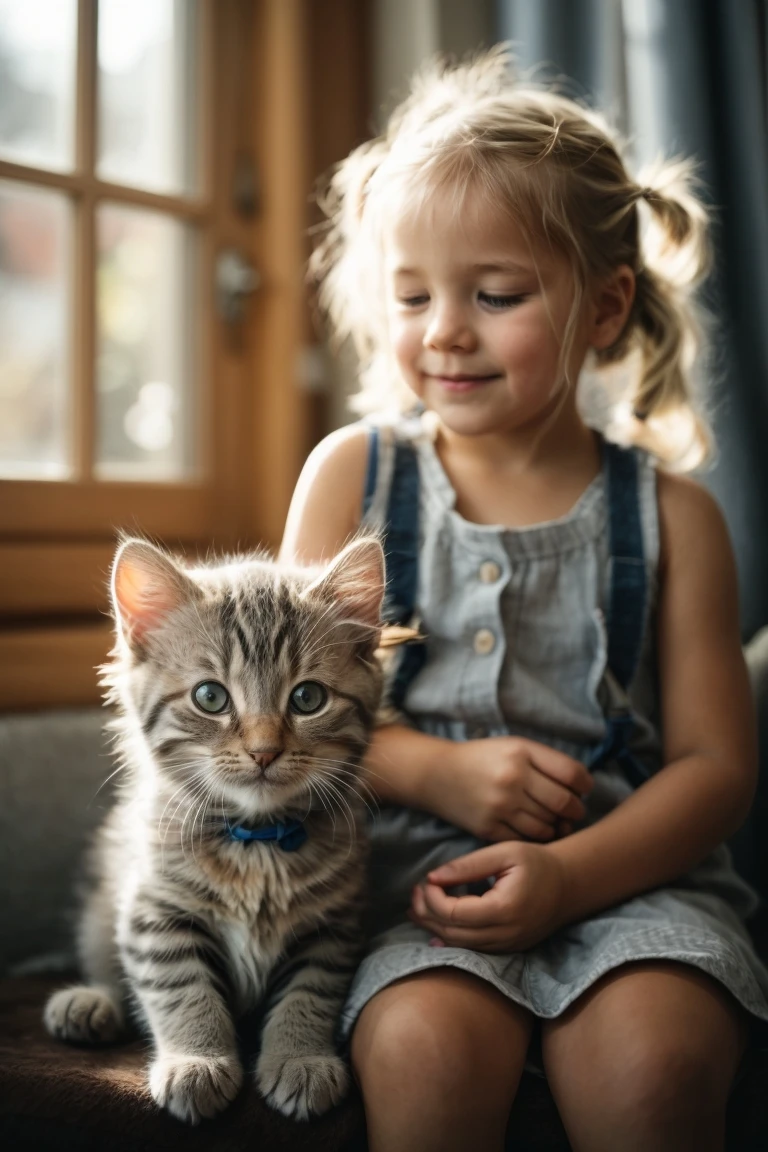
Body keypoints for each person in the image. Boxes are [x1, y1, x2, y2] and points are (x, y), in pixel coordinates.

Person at [279, 46, 768, 1152]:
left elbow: (717, 770)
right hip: (412, 886)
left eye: (495, 295)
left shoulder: (676, 517)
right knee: (422, 1054)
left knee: (658, 1065)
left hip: (635, 883)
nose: (444, 329)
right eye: (411, 296)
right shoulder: (349, 477)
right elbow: (284, 717)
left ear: (604, 308)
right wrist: (437, 768)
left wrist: (569, 875)